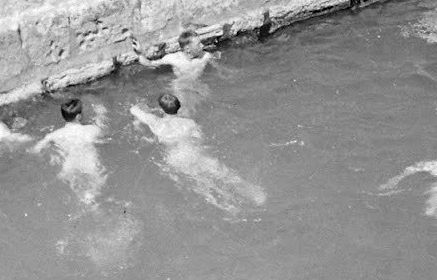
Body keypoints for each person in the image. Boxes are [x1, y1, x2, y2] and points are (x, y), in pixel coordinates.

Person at [131, 93, 266, 211]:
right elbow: (200, 139)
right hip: (191, 153)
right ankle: (254, 195)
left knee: (201, 182)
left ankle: (226, 203)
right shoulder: (189, 123)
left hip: (174, 159)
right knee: (222, 173)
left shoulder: (155, 122)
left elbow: (133, 109)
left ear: (161, 109)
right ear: (179, 107)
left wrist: (143, 106)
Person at [32, 97, 107, 206]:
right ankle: (91, 204)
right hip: (89, 162)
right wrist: (101, 114)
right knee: (94, 191)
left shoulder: (56, 134)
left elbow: (36, 148)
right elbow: (103, 135)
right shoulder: (91, 130)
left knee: (72, 189)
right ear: (79, 116)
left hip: (69, 164)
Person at [130, 33, 217, 88]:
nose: (202, 46)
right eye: (198, 44)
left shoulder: (205, 56)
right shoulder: (173, 59)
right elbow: (149, 63)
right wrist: (140, 53)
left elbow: (218, 68)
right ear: (187, 49)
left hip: (199, 84)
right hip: (181, 87)